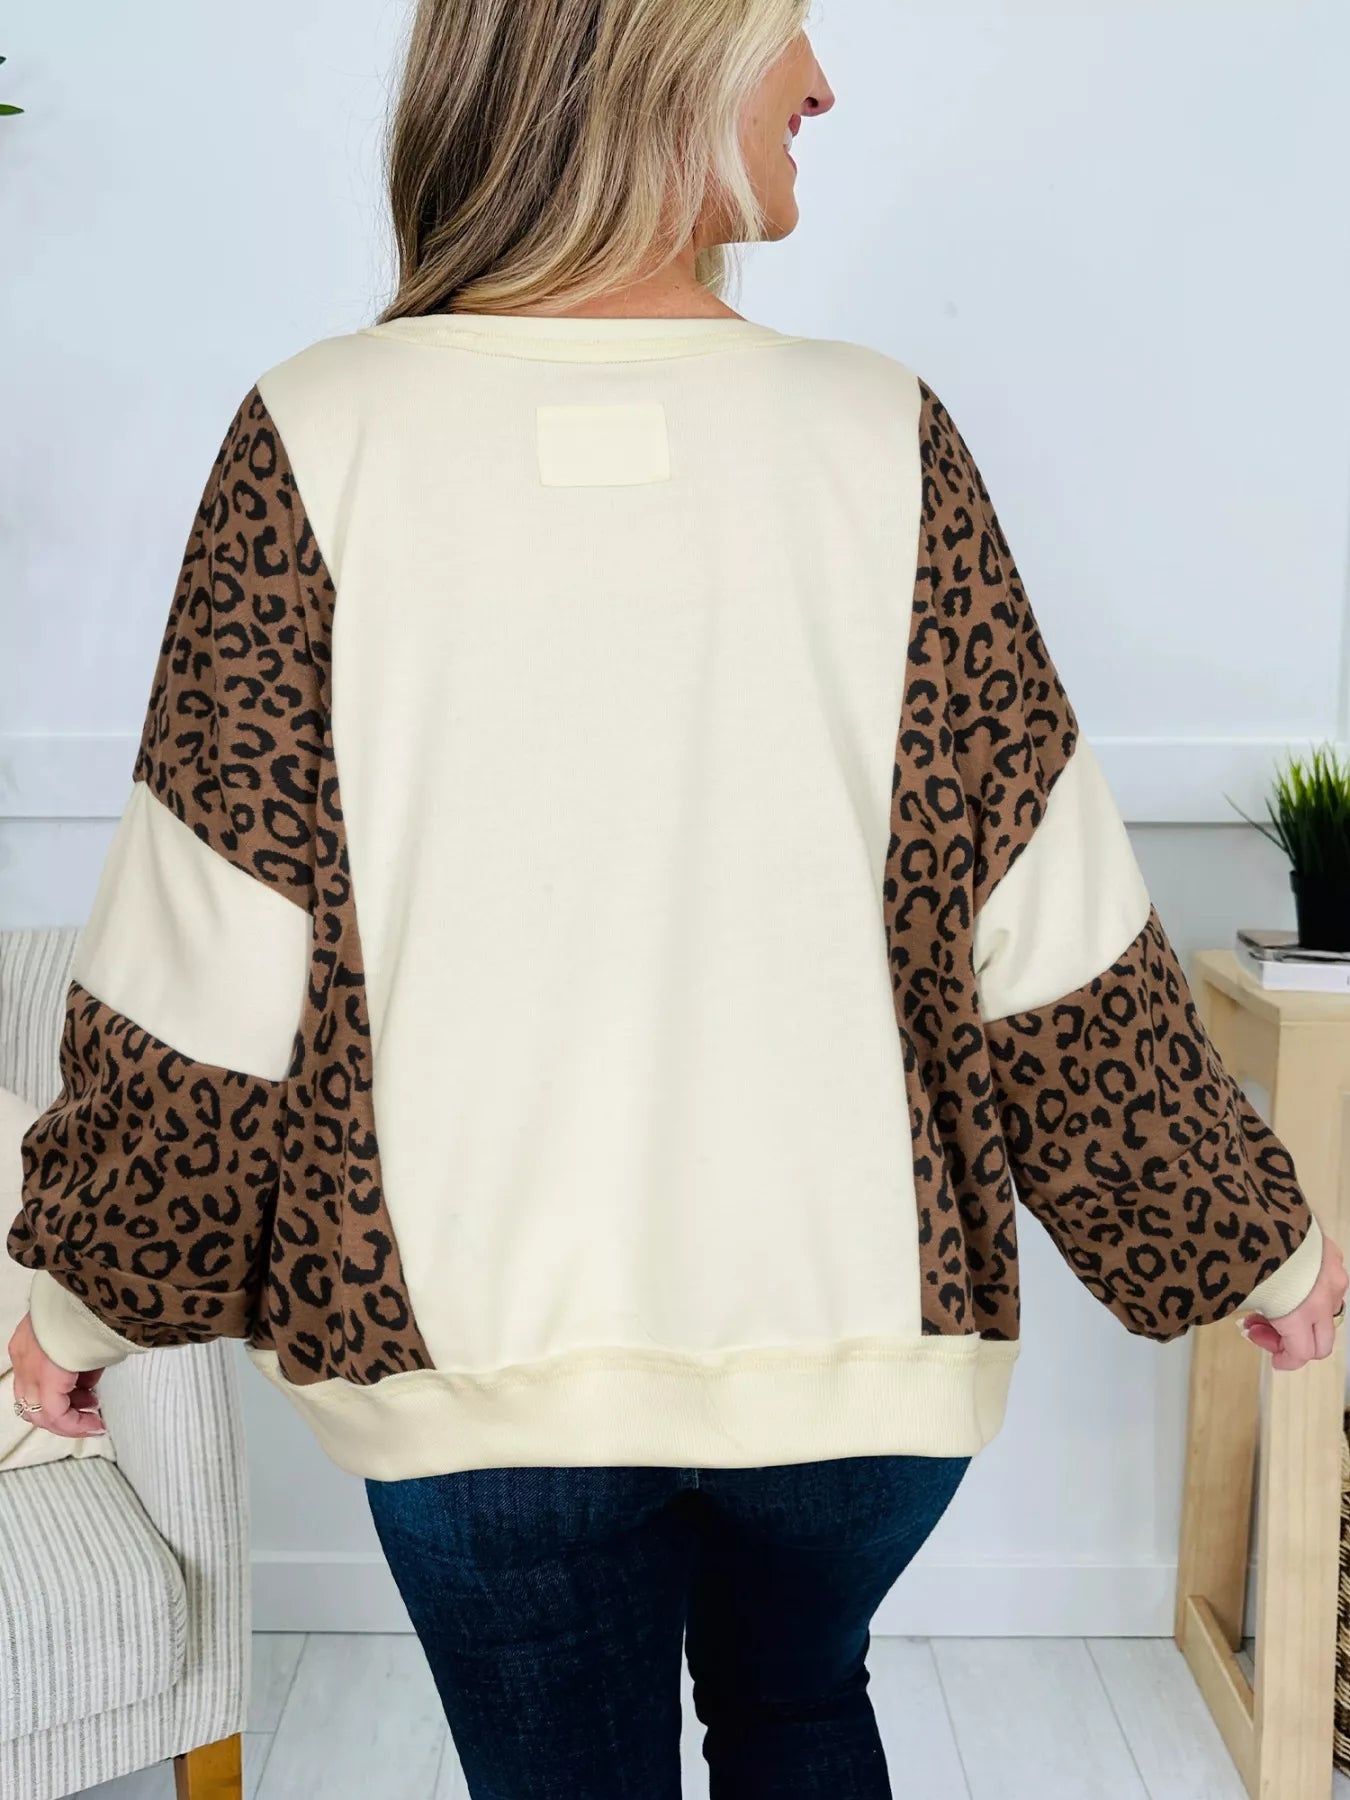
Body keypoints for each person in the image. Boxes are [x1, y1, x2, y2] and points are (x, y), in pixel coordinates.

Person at [7, 5, 1346, 1796]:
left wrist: (84, 1300)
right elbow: (1044, 940)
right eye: (786, 27)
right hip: (862, 1361)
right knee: (800, 1712)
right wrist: (1246, 1240)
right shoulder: (881, 435)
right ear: (659, 59)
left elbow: (210, 969)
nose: (822, 82)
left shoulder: (314, 436)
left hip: (469, 1375)